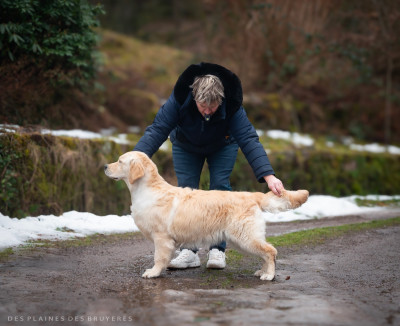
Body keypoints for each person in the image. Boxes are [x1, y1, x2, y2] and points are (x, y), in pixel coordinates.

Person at [134, 62, 284, 270]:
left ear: (220, 100)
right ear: (194, 97)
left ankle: (217, 250)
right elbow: (157, 129)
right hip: (186, 145)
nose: (207, 111)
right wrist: (135, 158)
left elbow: (249, 139)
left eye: (212, 107)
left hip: (223, 145)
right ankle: (189, 251)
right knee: (187, 193)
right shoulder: (178, 100)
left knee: (220, 188)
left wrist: (268, 176)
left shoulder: (232, 105)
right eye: (203, 106)